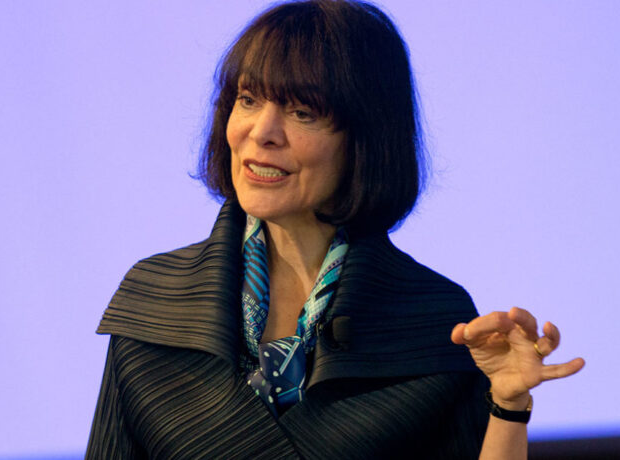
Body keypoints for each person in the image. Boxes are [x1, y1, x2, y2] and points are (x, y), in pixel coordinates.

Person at [86, 1, 584, 458]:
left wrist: (508, 404)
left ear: (365, 139)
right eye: (249, 99)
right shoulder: (156, 299)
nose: (262, 132)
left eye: (302, 112)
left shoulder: (433, 319)